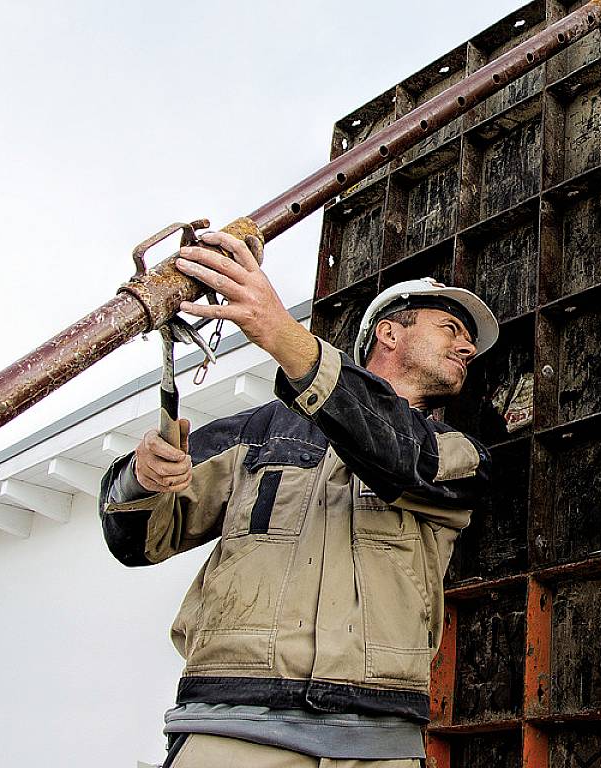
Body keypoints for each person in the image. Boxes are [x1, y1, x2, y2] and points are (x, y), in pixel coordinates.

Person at [98, 229, 499, 768]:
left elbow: (397, 453)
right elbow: (137, 541)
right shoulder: (258, 435)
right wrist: (143, 479)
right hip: (232, 728)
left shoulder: (456, 453)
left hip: (377, 742)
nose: (467, 347)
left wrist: (280, 332)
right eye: (450, 328)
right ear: (389, 333)